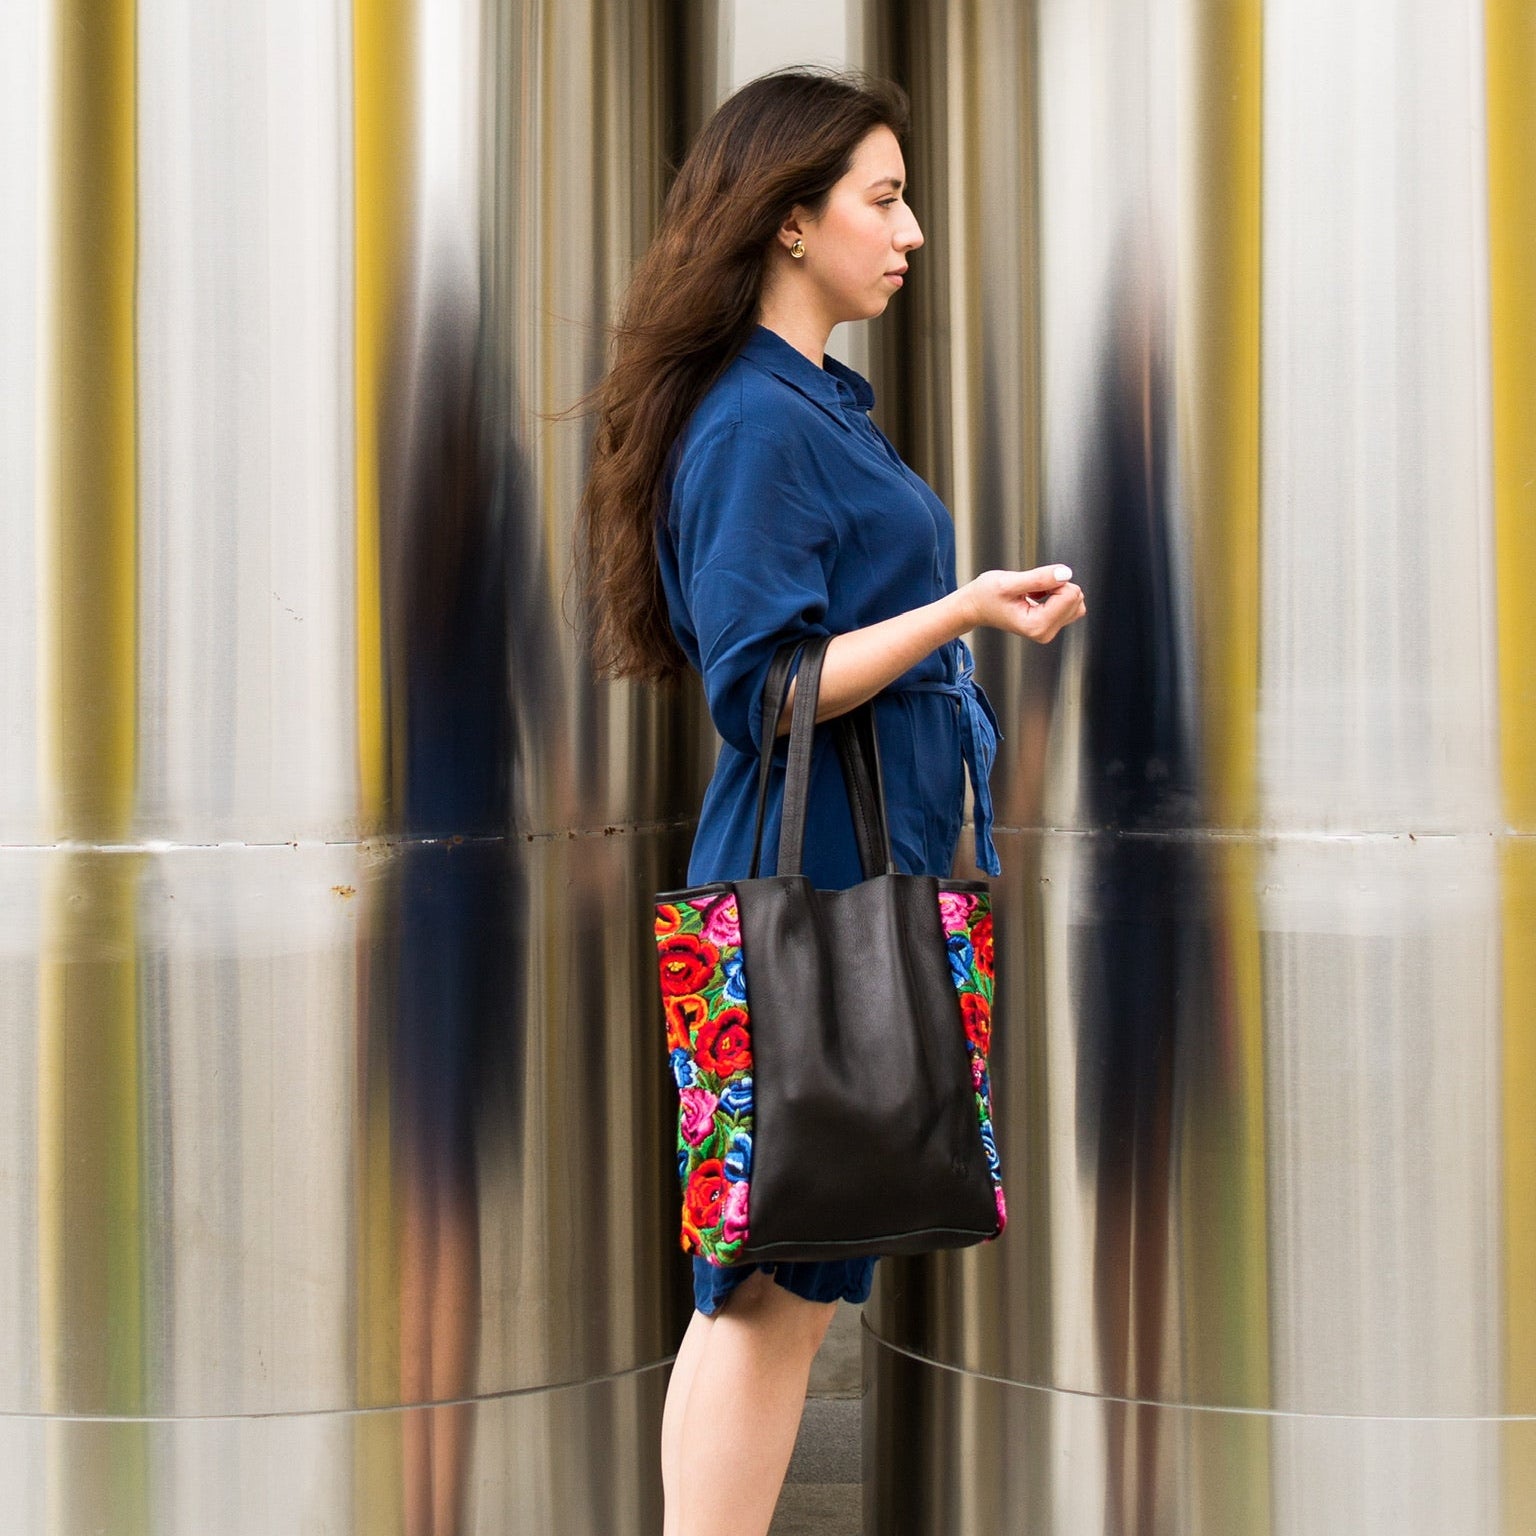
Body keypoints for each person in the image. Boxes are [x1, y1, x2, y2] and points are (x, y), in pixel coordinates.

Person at [577, 66, 1086, 1536]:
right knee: (769, 1274)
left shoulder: (812, 409)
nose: (911, 228)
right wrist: (961, 611)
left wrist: (959, 617)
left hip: (865, 861)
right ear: (790, 222)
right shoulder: (755, 421)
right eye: (883, 197)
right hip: (813, 873)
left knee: (783, 1270)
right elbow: (764, 687)